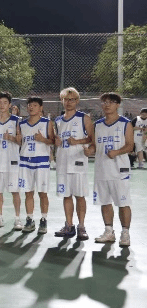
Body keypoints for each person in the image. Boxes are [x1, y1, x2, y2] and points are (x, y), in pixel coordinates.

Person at [84, 92, 133, 247]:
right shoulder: (97, 125)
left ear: (117, 105)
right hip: (101, 169)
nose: (107, 105)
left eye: (110, 102)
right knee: (104, 201)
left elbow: (130, 146)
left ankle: (125, 233)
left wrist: (117, 152)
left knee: (123, 202)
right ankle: (109, 231)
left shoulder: (125, 123)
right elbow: (94, 145)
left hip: (120, 170)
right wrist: (89, 151)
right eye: (104, 102)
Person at [53, 88, 93, 240]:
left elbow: (92, 138)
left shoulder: (84, 118)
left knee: (80, 195)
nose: (68, 102)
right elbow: (57, 140)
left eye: (72, 99)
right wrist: (56, 142)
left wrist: (78, 141)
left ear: (77, 101)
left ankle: (81, 226)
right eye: (66, 99)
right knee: (66, 195)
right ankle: (69, 225)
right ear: (62, 101)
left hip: (78, 162)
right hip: (62, 162)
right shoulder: (58, 120)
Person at [17, 97, 54, 233]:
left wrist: (43, 139)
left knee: (42, 193)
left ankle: (43, 220)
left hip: (41, 162)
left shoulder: (47, 123)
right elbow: (19, 142)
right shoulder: (21, 124)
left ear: (40, 108)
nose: (31, 107)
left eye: (34, 105)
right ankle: (29, 219)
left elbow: (53, 141)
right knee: (28, 192)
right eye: (29, 105)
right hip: (25, 161)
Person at [0, 92, 22, 228]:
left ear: (10, 105)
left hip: (12, 161)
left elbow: (21, 142)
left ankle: (17, 219)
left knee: (15, 191)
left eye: (5, 102)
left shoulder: (17, 120)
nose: (2, 105)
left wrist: (11, 138)